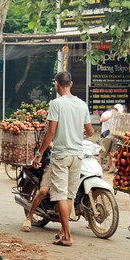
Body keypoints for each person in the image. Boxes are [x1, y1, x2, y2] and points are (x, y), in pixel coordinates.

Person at [31, 72, 94, 246]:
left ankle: (67, 236)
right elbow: (90, 132)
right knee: (69, 196)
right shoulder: (82, 105)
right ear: (71, 84)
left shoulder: (56, 104)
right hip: (77, 156)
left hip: (61, 155)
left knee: (60, 195)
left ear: (57, 84)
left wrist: (40, 153)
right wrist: (76, 132)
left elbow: (51, 131)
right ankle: (64, 233)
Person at [21, 142, 53, 232]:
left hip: (69, 162)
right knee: (43, 190)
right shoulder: (53, 130)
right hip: (51, 163)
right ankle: (29, 217)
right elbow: (47, 140)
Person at [99, 104, 123, 172]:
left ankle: (110, 167)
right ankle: (100, 167)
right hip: (106, 136)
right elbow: (101, 120)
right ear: (115, 109)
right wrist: (111, 116)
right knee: (102, 152)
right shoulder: (106, 114)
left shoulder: (118, 118)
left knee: (112, 153)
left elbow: (118, 127)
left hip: (113, 136)